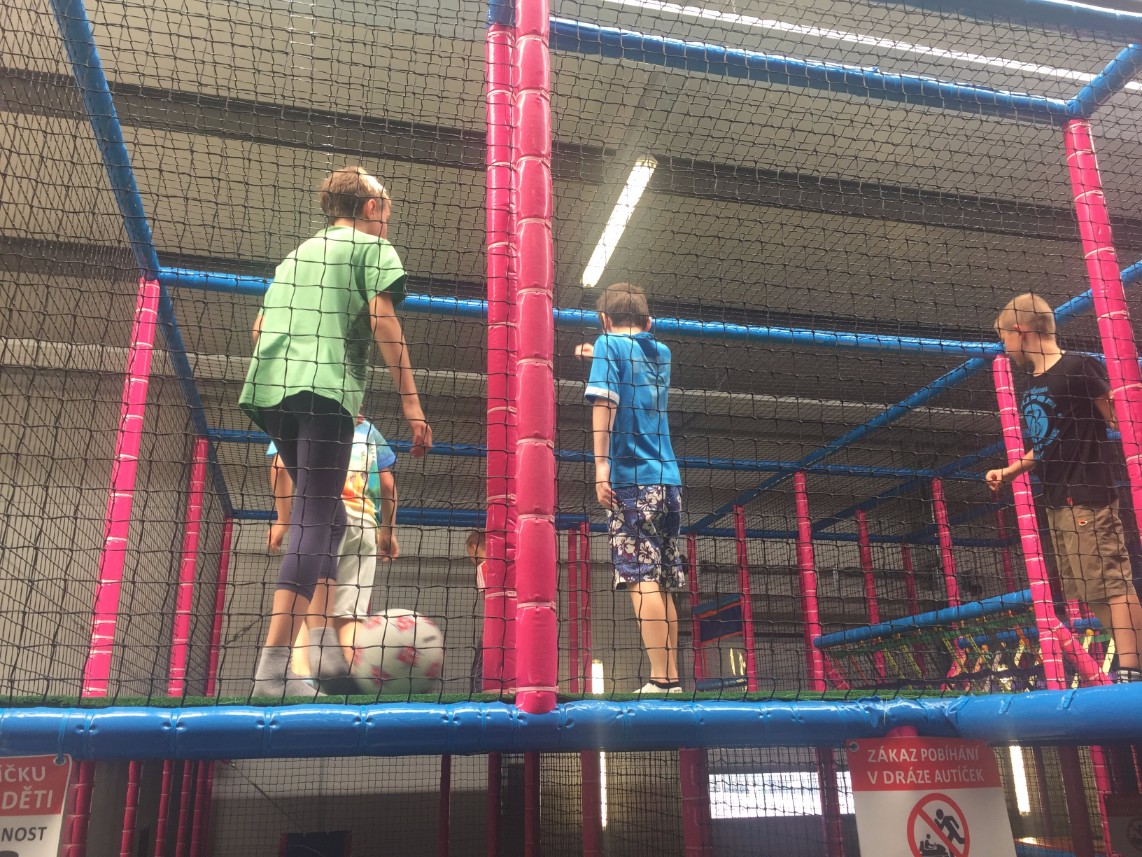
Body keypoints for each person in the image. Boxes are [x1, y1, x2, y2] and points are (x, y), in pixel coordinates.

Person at [239, 166, 432, 697]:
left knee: (333, 517)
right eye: (386, 207)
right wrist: (411, 404)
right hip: (324, 392)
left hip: (270, 389)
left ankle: (324, 655)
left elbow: (259, 328)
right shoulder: (372, 248)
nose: (388, 217)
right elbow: (383, 320)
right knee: (313, 515)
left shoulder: (296, 255)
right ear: (371, 208)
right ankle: (274, 669)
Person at [986, 292, 1142, 683]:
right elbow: (1047, 442)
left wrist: (1124, 410)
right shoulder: (1033, 384)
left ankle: (1132, 667)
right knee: (1088, 589)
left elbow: (1117, 419)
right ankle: (1135, 658)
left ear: (1020, 331)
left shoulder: (1078, 367)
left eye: (1005, 338)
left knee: (1111, 582)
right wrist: (1010, 471)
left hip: (1087, 492)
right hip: (1057, 499)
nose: (1005, 347)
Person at [582, 283, 684, 694]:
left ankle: (660, 679)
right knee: (661, 579)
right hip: (668, 482)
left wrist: (600, 467)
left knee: (640, 579)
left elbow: (605, 403)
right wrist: (595, 354)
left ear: (604, 320)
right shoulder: (662, 353)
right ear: (649, 322)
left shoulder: (607, 343)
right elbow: (634, 362)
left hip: (631, 480)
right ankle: (671, 679)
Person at [268, 414, 398, 686]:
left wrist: (283, 519)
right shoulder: (369, 430)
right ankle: (351, 689)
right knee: (350, 617)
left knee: (304, 610)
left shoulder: (302, 418)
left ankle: (301, 684)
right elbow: (387, 485)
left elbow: (280, 467)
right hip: (363, 525)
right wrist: (388, 530)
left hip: (318, 520)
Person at [466, 529, 486, 692]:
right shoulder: (505, 564)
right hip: (517, 628)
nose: (471, 558)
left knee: (478, 673)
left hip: (493, 631)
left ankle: (477, 701)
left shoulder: (482, 568)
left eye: (469, 553)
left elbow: (489, 602)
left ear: (474, 547)